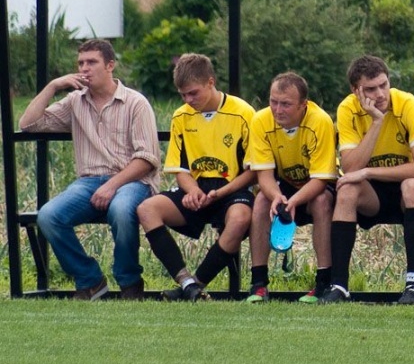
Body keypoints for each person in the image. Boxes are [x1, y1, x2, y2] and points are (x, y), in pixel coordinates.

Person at [20, 38, 159, 300]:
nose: (84, 68)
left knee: (121, 208)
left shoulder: (135, 103)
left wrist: (112, 184)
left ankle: (130, 283)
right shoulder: (75, 102)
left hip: (133, 181)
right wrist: (53, 86)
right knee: (48, 216)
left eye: (92, 62)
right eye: (80, 63)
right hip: (88, 182)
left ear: (110, 65)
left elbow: (147, 159)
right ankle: (91, 280)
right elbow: (29, 125)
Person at [319, 55, 414, 304]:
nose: (379, 93)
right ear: (356, 91)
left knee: (411, 185)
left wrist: (369, 172)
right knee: (346, 190)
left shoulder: (408, 103)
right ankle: (339, 285)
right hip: (376, 194)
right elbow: (351, 167)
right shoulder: (348, 108)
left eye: (383, 85)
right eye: (370, 89)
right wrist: (377, 121)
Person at [137, 53, 255, 301]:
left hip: (231, 190)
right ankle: (186, 281)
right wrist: (191, 191)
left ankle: (196, 285)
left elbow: (254, 171)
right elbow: (180, 168)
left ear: (211, 83)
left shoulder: (243, 113)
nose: (188, 100)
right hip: (198, 191)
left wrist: (220, 193)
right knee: (147, 209)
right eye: (183, 95)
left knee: (240, 218)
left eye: (193, 93)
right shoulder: (181, 116)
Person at [245, 72, 337, 304]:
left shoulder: (320, 121)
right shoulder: (260, 120)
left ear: (303, 105)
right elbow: (263, 174)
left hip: (315, 184)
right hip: (285, 183)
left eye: (285, 104)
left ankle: (323, 283)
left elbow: (320, 179)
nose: (277, 109)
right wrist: (277, 196)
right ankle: (258, 285)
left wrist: (293, 201)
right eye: (273, 102)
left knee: (321, 201)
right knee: (262, 201)